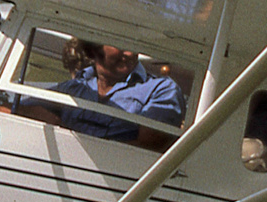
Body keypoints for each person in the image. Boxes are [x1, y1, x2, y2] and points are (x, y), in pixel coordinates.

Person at [42, 38, 185, 151]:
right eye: (121, 44)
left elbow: (150, 147)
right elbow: (27, 110)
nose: (130, 53)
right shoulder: (73, 87)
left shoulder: (161, 89)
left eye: (135, 45)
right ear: (95, 49)